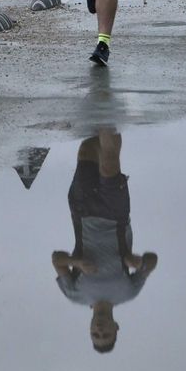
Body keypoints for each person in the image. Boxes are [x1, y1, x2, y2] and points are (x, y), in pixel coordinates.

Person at [51, 127, 157, 353]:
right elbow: (152, 261)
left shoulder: (75, 295)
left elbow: (56, 260)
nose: (99, 330)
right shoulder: (128, 292)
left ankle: (104, 122)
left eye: (95, 334)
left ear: (89, 329)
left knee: (87, 148)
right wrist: (137, 262)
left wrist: (76, 263)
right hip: (115, 215)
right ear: (116, 328)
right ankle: (108, 115)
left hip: (82, 211)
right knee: (109, 164)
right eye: (105, 334)